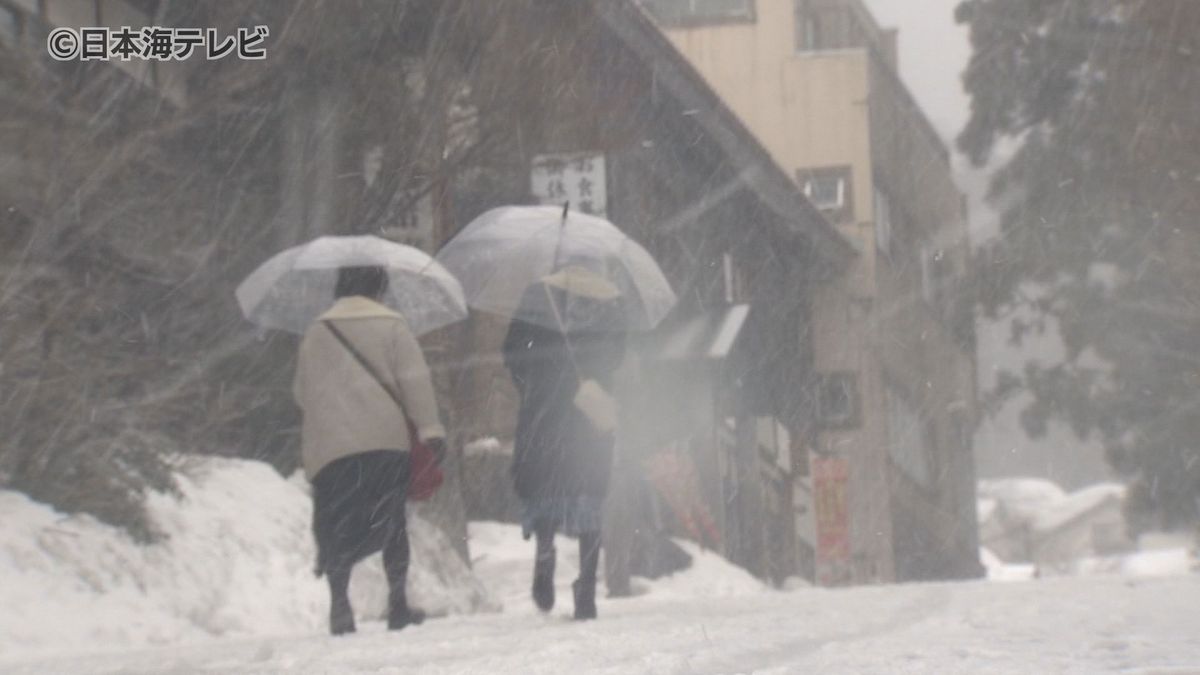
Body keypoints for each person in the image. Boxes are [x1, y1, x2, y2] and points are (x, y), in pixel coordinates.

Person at [293, 265, 447, 635]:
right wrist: (430, 429)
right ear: (380, 289)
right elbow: (416, 383)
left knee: (337, 522)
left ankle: (340, 606)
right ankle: (397, 605)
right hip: (384, 441)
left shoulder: (317, 331)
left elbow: (301, 392)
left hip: (332, 446)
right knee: (391, 522)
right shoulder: (392, 326)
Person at [502, 266, 626, 620]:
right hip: (587, 414)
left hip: (543, 411)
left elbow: (513, 354)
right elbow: (615, 357)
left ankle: (545, 548)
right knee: (587, 494)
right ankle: (586, 584)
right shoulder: (606, 302)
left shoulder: (537, 298)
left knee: (545, 488)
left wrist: (535, 379)